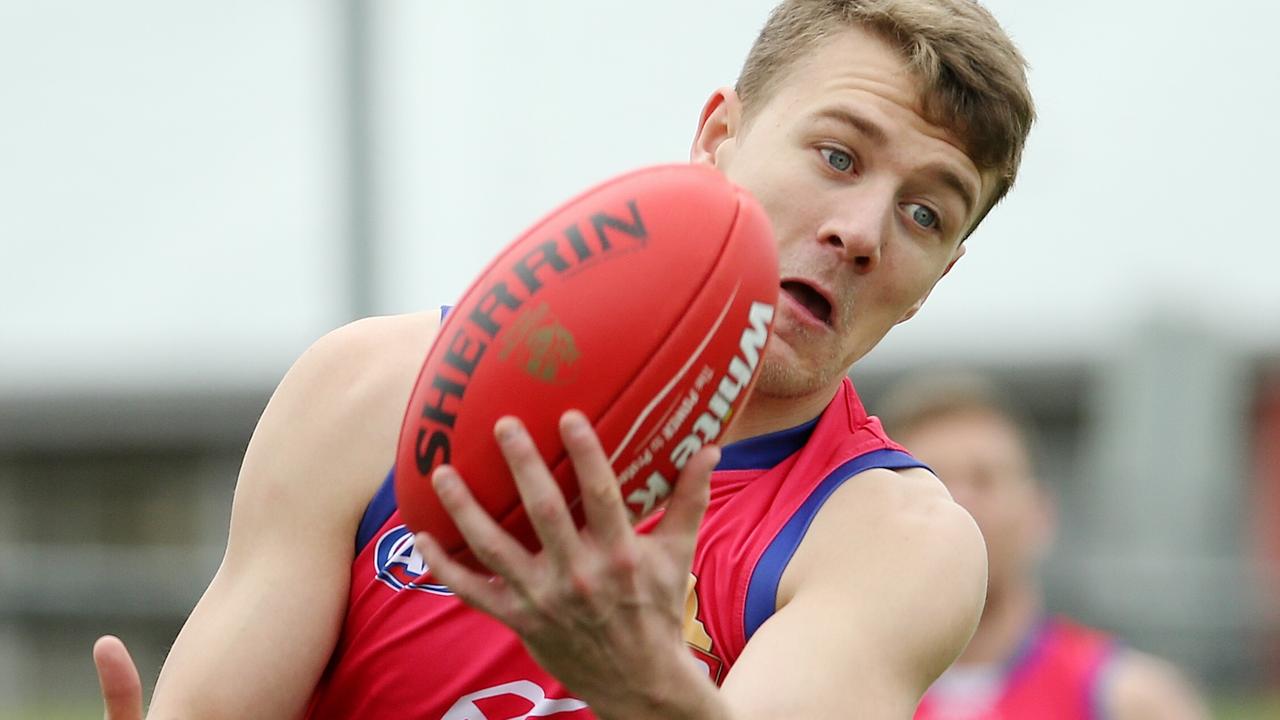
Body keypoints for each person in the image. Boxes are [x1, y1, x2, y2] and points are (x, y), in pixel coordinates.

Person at [92, 1, 1036, 717]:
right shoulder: (377, 390)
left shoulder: (897, 540)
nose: (862, 230)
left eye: (926, 213)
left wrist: (642, 689)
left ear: (936, 280)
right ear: (719, 140)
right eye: (837, 155)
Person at [878, 373, 1211, 720]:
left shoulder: (1131, 700)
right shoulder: (844, 693)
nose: (959, 503)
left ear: (1040, 513)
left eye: (984, 479)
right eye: (934, 480)